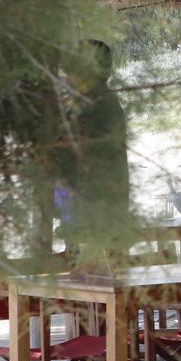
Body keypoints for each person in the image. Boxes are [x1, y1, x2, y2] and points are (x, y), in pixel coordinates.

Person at [54, 39, 131, 266]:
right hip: (85, 212)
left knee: (90, 277)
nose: (68, 75)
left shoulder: (97, 105)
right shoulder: (88, 102)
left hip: (93, 214)